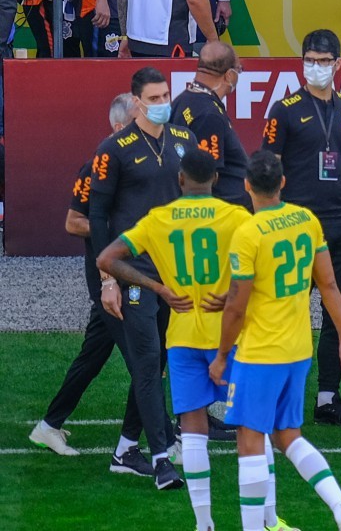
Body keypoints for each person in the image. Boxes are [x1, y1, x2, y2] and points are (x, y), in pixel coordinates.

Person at [211, 150, 341, 531]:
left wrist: (221, 355)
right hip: (298, 350)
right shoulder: (306, 220)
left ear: (246, 186)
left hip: (259, 352)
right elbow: (328, 284)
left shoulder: (248, 233)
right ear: (283, 182)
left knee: (249, 441)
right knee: (288, 437)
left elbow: (236, 306)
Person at [97, 147, 253, 531]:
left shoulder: (159, 219)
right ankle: (260, 519)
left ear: (180, 179)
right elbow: (262, 267)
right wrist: (232, 295)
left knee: (193, 431)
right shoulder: (236, 217)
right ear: (216, 179)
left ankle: (203, 523)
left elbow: (106, 259)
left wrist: (159, 288)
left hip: (182, 337)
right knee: (251, 429)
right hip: (229, 336)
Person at [29, 94, 155, 469]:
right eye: (137, 120)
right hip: (109, 277)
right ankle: (152, 443)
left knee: (94, 356)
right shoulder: (96, 166)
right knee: (145, 362)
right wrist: (119, 231)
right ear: (119, 127)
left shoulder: (140, 162)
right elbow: (73, 222)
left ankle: (49, 425)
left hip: (128, 272)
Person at [259, 30, 341, 427]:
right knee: (283, 309)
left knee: (338, 310)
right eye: (310, 60)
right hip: (297, 226)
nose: (317, 67)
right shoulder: (284, 110)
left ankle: (328, 397)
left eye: (324, 61)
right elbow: (268, 170)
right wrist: (272, 222)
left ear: (338, 64)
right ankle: (270, 392)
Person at [88, 67, 194, 486]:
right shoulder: (113, 149)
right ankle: (162, 460)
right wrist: (107, 280)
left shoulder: (183, 140)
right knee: (148, 364)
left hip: (173, 273)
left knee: (159, 362)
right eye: (153, 98)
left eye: (165, 95)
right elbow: (98, 217)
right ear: (136, 102)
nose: (162, 103)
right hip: (132, 272)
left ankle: (126, 448)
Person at [170, 39, 251, 204]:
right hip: (224, 209)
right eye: (239, 70)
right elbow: (206, 176)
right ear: (229, 75)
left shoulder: (183, 100)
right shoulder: (209, 115)